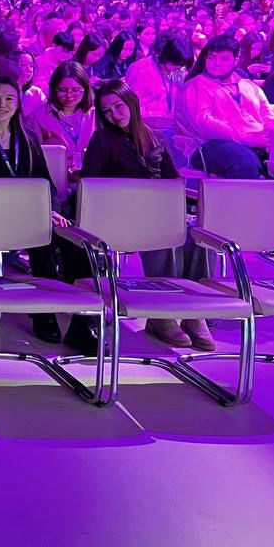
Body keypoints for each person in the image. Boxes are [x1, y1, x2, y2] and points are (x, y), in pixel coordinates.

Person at [84, 80, 208, 349]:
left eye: (118, 106)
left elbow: (173, 180)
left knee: (196, 235)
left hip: (158, 210)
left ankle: (193, 311)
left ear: (131, 103)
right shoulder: (102, 140)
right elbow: (89, 186)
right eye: (107, 111)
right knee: (163, 233)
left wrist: (177, 210)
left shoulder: (155, 137)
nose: (115, 115)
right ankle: (163, 312)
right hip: (120, 214)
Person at [0, 75, 76, 351]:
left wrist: (50, 210)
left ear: (18, 104)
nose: (2, 104)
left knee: (62, 236)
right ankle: (34, 312)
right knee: (37, 229)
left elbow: (44, 181)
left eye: (9, 98)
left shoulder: (28, 138)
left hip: (28, 216)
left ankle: (53, 311)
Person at [176, 34, 274, 178]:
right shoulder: (195, 86)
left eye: (224, 59)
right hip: (207, 144)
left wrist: (273, 128)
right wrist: (247, 137)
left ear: (235, 60)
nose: (217, 63)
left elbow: (266, 112)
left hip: (255, 141)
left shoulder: (248, 85)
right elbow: (204, 124)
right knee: (244, 162)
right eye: (211, 58)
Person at [24, 61, 96, 184]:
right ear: (53, 89)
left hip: (91, 181)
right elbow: (31, 160)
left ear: (85, 89)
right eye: (63, 90)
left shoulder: (96, 115)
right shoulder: (37, 117)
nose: (69, 95)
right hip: (54, 181)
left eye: (76, 89)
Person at [124, 35, 193, 128]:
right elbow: (131, 103)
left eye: (182, 65)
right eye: (177, 64)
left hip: (169, 126)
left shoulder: (179, 72)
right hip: (144, 125)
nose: (179, 68)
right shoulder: (140, 68)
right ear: (167, 56)